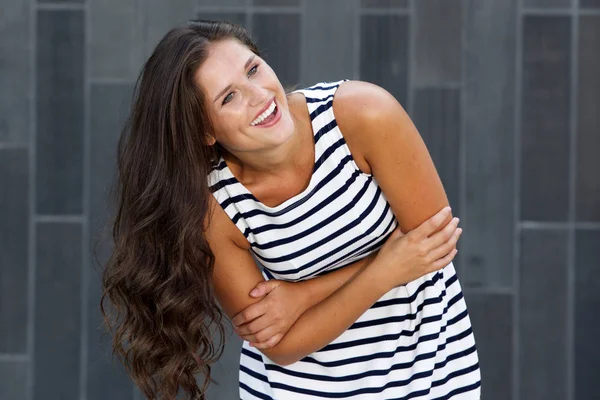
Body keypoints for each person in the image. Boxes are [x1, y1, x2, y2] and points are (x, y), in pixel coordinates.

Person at [101, 19, 481, 400]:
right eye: (228, 98)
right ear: (205, 131)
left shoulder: (363, 115)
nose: (258, 95)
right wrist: (387, 269)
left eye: (253, 69)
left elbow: (434, 241)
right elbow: (280, 343)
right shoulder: (214, 206)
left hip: (431, 378)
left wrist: (302, 295)